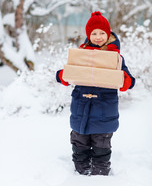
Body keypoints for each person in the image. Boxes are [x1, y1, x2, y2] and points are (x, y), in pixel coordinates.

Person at [56, 11, 135, 176]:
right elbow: (70, 72)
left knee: (101, 144)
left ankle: (100, 175)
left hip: (104, 110)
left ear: (108, 34)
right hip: (81, 108)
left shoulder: (116, 57)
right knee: (79, 142)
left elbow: (127, 81)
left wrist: (124, 79)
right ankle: (80, 174)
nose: (98, 36)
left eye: (102, 33)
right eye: (94, 33)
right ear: (88, 35)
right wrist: (62, 75)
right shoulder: (82, 53)